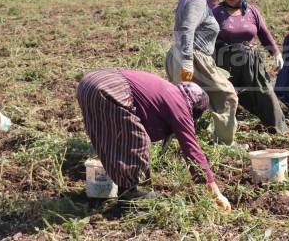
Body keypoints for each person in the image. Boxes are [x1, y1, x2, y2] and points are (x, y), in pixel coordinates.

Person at [76, 68, 231, 212]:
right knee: (137, 140)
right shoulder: (180, 106)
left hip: (88, 83)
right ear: (193, 108)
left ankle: (116, 187)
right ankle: (129, 195)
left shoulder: (168, 91)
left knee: (115, 135)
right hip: (109, 87)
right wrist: (216, 194)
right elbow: (193, 151)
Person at [165, 0, 240, 146]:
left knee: (183, 102)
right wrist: (188, 60)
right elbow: (186, 29)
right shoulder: (198, 0)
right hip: (194, 57)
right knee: (228, 96)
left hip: (182, 55)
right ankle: (224, 143)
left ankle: (173, 143)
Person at [212, 0, 289, 134]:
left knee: (265, 93)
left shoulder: (251, 11)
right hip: (228, 64)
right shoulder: (216, 13)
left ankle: (279, 130)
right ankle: (224, 134)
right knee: (230, 97)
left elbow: (263, 32)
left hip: (252, 61)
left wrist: (275, 52)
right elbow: (209, 38)